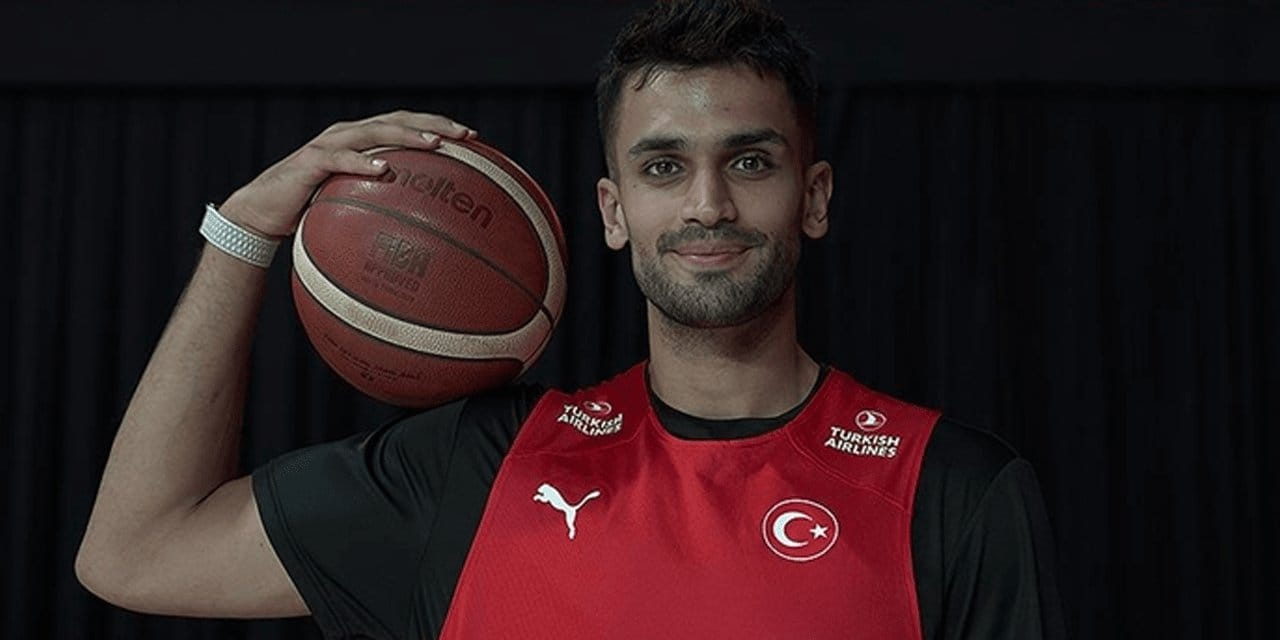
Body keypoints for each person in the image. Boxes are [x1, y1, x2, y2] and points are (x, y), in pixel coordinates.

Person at [76, 1, 1066, 638]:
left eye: (749, 161)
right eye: (663, 166)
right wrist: (244, 232)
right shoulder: (479, 468)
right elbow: (135, 551)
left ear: (812, 197)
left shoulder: (951, 490)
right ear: (611, 210)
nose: (708, 205)